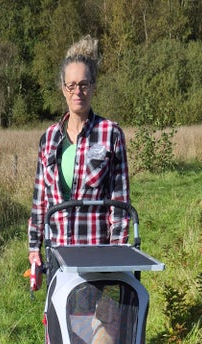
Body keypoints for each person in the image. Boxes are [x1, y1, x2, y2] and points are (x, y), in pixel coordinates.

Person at [28, 35, 131, 289]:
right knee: (59, 326)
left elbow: (119, 202)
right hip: (57, 255)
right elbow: (40, 201)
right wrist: (34, 248)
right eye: (71, 85)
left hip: (95, 257)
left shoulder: (110, 134)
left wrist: (116, 259)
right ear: (63, 88)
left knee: (95, 326)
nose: (78, 92)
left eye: (84, 84)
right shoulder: (49, 139)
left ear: (93, 86)